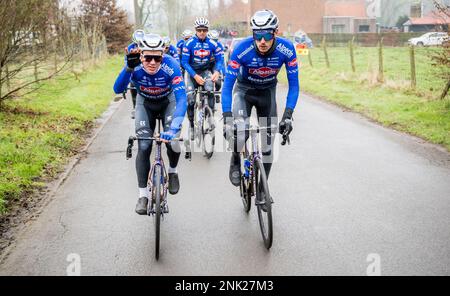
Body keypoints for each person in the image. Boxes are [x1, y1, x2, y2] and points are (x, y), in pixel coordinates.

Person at [222, 9, 299, 186]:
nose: (262, 41)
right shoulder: (241, 49)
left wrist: (288, 115)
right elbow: (227, 87)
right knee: (240, 133)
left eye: (266, 35)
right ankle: (235, 158)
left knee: (268, 146)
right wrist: (227, 116)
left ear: (275, 32)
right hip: (244, 92)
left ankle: (263, 188)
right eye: (258, 35)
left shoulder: (286, 49)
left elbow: (294, 85)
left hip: (267, 93)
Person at [114, 33, 187, 215]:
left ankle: (172, 171)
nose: (153, 62)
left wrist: (174, 129)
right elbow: (117, 89)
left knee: (174, 141)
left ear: (163, 55)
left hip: (167, 102)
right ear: (141, 56)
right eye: (148, 57)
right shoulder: (135, 65)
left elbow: (182, 99)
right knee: (144, 145)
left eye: (157, 57)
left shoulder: (171, 65)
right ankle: (143, 195)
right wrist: (128, 69)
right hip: (145, 103)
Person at [181, 17, 224, 140]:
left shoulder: (212, 43)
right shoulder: (188, 43)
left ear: (207, 30)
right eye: (199, 30)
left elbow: (220, 59)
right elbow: (184, 62)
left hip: (205, 72)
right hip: (192, 73)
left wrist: (216, 71)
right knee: (190, 100)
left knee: (210, 89)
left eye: (204, 30)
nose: (202, 32)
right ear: (195, 30)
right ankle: (191, 126)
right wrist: (195, 75)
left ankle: (209, 118)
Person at [125, 29, 146, 119]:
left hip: (145, 69)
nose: (138, 46)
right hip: (135, 69)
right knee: (132, 84)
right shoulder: (130, 47)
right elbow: (127, 62)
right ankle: (134, 107)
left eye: (140, 44)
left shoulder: (146, 45)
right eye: (136, 44)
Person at [207, 29, 225, 103]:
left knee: (218, 81)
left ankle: (216, 93)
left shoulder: (220, 46)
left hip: (214, 64)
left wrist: (224, 73)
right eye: (213, 40)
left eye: (216, 40)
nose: (215, 42)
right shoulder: (204, 45)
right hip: (206, 65)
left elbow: (222, 60)